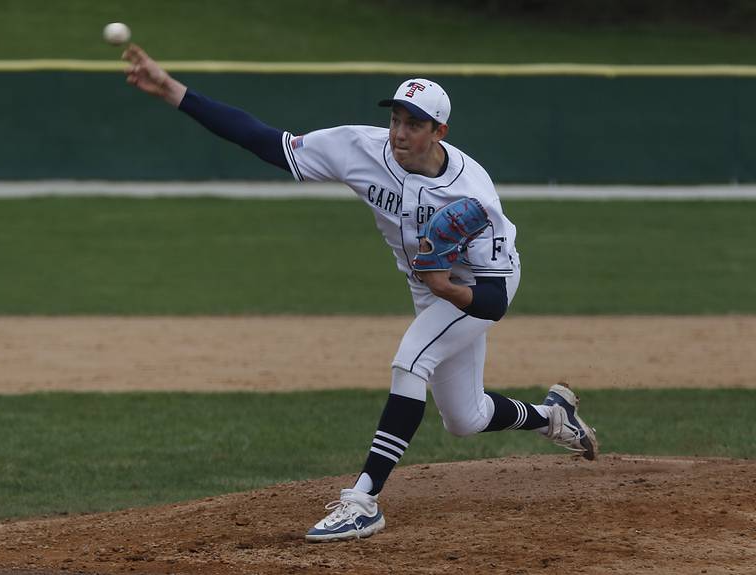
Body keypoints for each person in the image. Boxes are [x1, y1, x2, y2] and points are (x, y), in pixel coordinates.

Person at [122, 44, 598, 543]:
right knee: (465, 417)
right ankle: (551, 416)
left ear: (440, 133)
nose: (399, 132)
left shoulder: (474, 196)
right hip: (429, 287)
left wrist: (444, 288)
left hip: (476, 286)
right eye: (395, 118)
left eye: (414, 124)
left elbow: (494, 304)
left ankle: (363, 500)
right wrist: (173, 91)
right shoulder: (362, 149)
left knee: (410, 362)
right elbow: (266, 142)